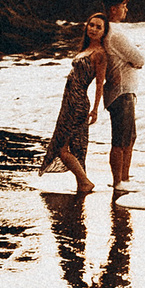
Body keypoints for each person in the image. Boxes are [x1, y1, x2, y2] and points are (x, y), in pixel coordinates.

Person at [36, 12, 108, 193]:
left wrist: (95, 109)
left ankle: (85, 182)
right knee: (74, 146)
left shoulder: (99, 54)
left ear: (104, 32)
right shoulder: (85, 49)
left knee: (63, 147)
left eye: (98, 27)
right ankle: (81, 184)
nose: (93, 29)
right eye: (91, 25)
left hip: (78, 103)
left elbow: (100, 83)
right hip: (68, 101)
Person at [98, 0, 145, 198]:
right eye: (124, 6)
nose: (126, 10)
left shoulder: (111, 31)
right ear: (114, 8)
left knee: (129, 137)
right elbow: (139, 58)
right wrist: (135, 61)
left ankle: (124, 180)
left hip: (123, 90)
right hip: (121, 92)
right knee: (121, 139)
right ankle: (118, 181)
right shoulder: (115, 33)